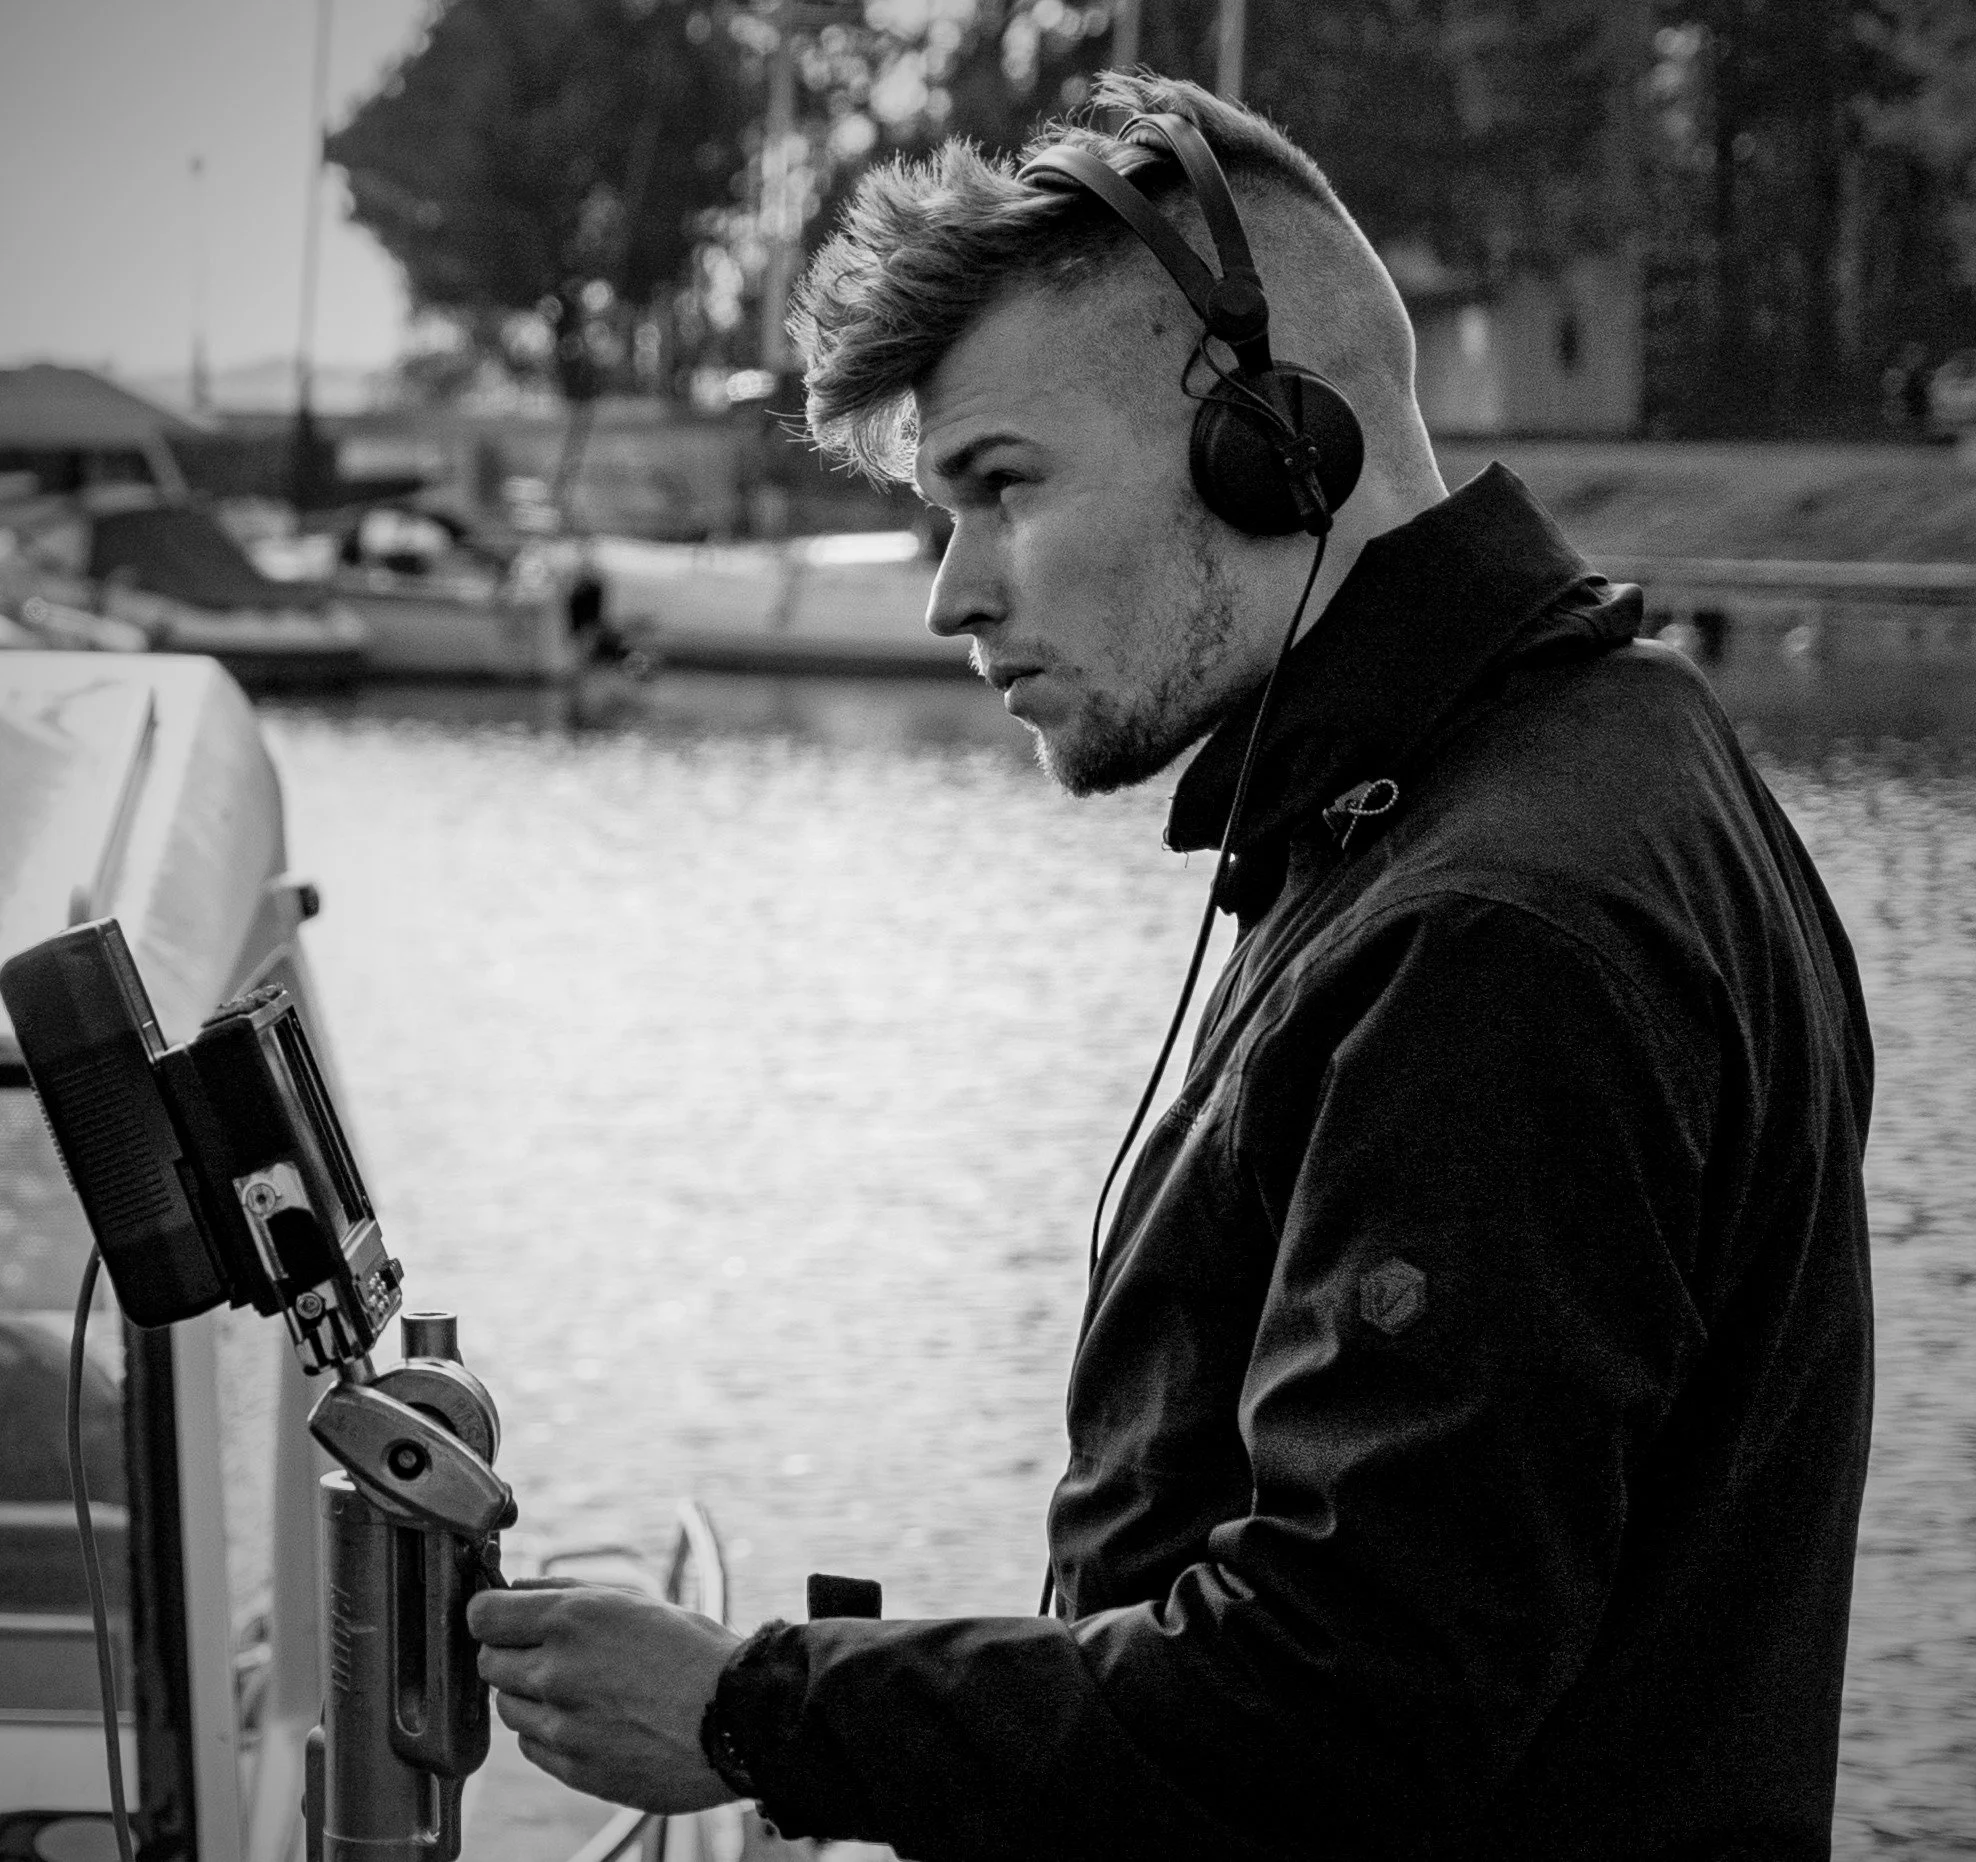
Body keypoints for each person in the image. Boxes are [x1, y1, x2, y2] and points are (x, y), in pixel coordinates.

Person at [470, 73, 1874, 1860]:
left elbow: (1348, 1705)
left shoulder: (1489, 934)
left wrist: (762, 1707)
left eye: (1000, 486)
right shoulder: (1595, 745)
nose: (950, 593)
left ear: (1273, 445)